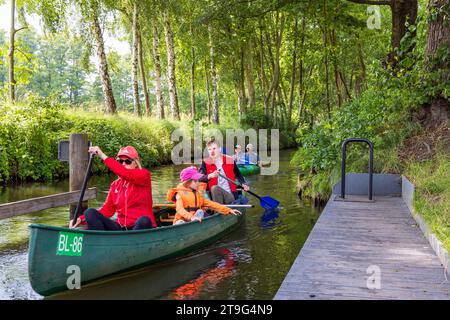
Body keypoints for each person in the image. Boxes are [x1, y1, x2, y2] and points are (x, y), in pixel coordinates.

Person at [69, 145, 157, 231]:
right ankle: (101, 241)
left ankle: (131, 241)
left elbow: (126, 173)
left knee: (144, 220)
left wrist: (102, 155)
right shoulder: (115, 185)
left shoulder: (144, 175)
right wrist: (81, 219)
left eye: (128, 161)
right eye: (120, 161)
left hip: (140, 226)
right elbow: (107, 210)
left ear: (136, 164)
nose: (123, 164)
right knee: (89, 212)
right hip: (121, 227)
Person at [167, 166, 241, 225]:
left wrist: (228, 210)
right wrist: (191, 217)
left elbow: (212, 204)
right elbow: (179, 209)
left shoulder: (198, 194)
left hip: (194, 220)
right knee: (180, 222)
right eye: (195, 181)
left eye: (198, 180)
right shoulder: (179, 194)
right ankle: (181, 226)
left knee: (200, 211)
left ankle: (195, 224)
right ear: (187, 182)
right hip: (183, 220)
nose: (198, 183)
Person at [199, 140, 250, 204]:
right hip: (214, 197)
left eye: (214, 148)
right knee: (214, 188)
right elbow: (199, 178)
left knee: (215, 188)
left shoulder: (229, 160)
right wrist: (210, 175)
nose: (212, 151)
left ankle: (219, 209)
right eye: (209, 149)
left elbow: (238, 174)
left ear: (219, 149)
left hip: (230, 195)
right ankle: (218, 209)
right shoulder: (205, 162)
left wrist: (244, 183)